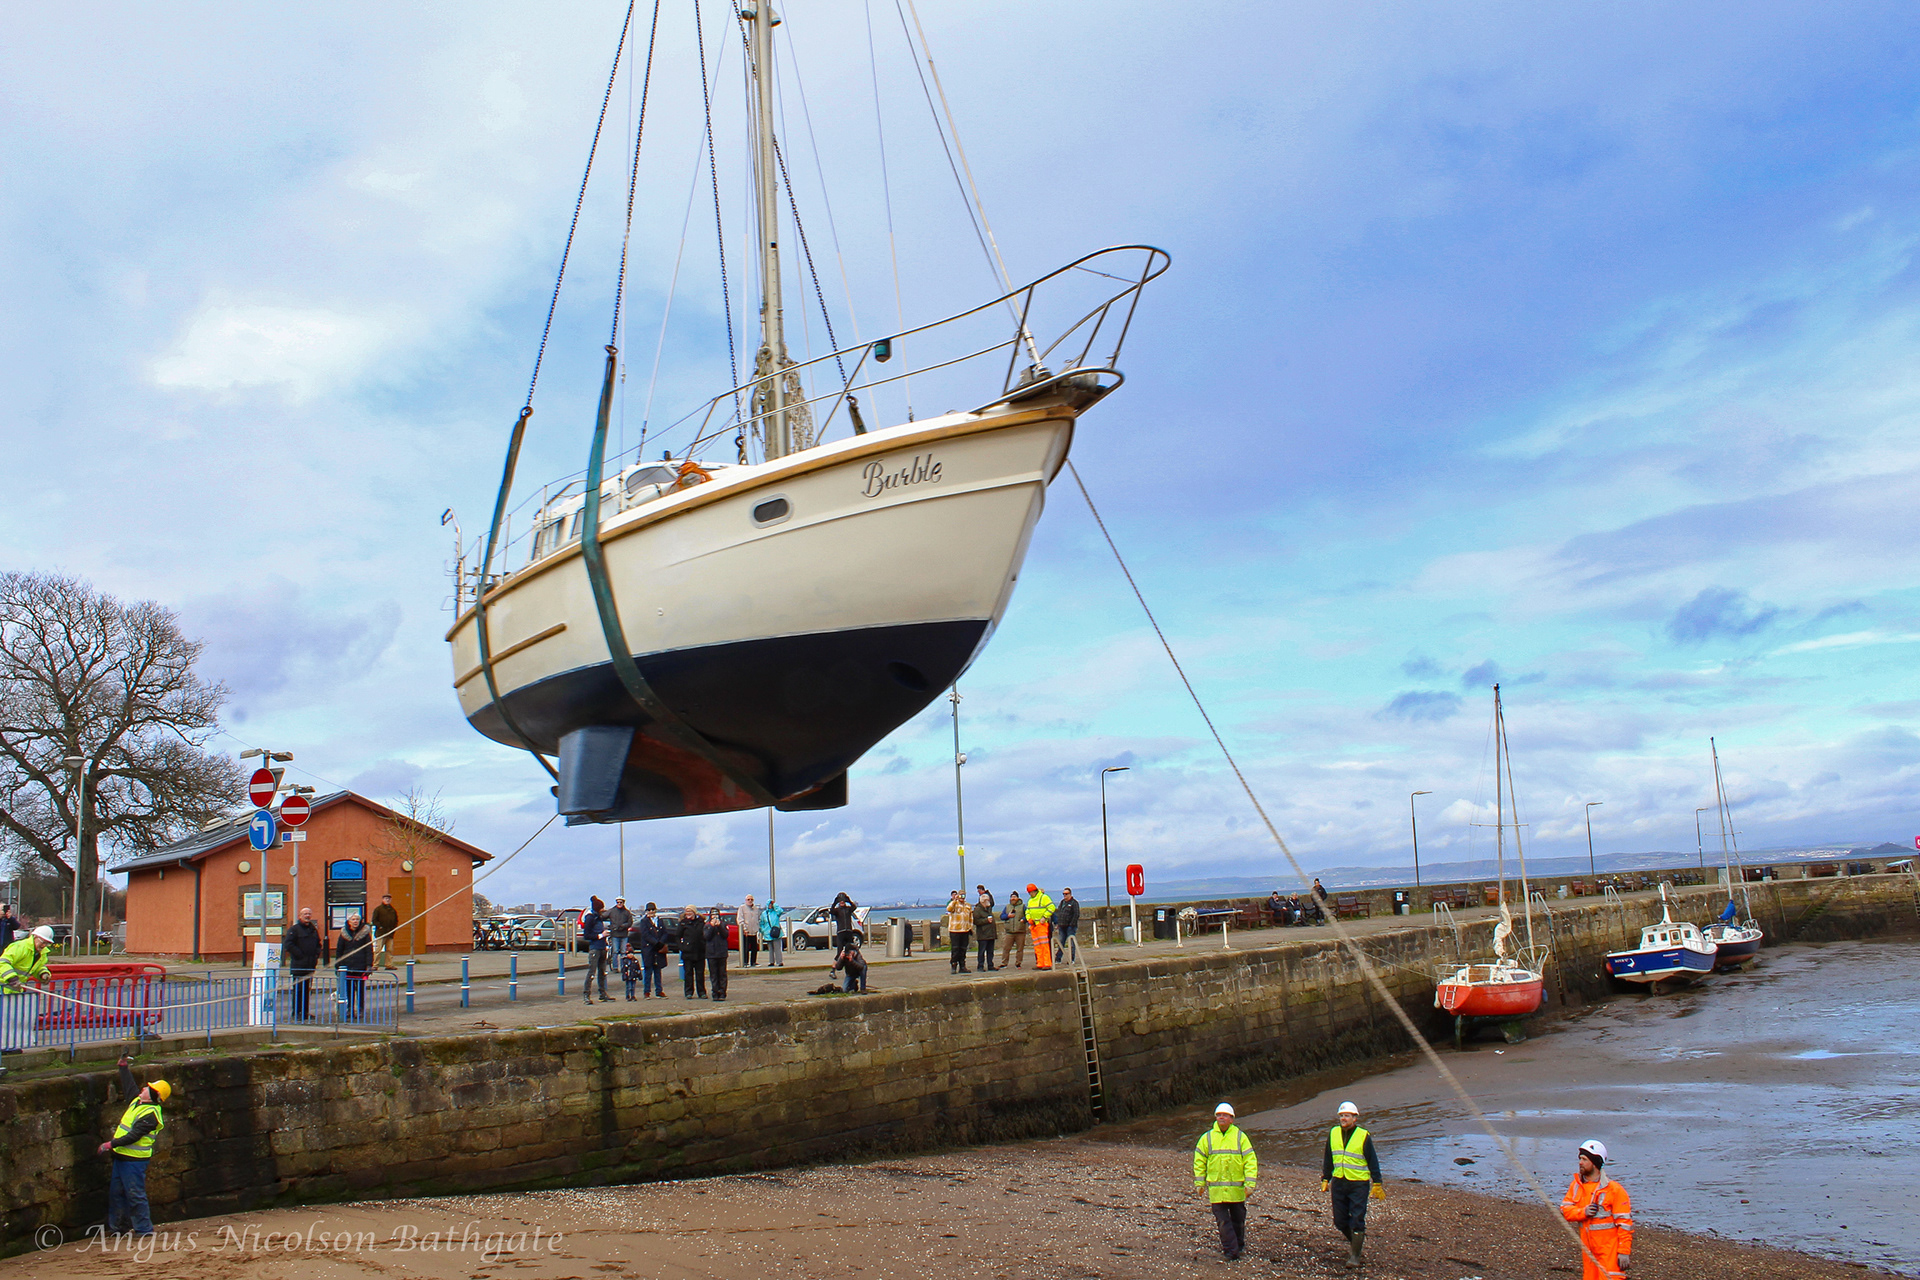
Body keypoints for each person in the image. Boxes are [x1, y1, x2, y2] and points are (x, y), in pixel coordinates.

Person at [98, 1054, 171, 1237]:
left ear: (154, 1095)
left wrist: (110, 1144)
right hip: (122, 1156)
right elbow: (128, 1085)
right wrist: (123, 1067)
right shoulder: (137, 1102)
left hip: (134, 1160)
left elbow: (134, 1136)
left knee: (135, 1194)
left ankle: (144, 1229)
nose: (144, 1088)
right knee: (117, 1194)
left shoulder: (152, 1114)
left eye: (148, 1088)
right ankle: (118, 1228)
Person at [1320, 1100, 1383, 1270]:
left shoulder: (1363, 1135)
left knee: (1356, 1219)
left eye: (1347, 1116)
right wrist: (1326, 1177)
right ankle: (1356, 1241)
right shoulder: (1333, 1133)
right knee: (1340, 1221)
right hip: (1339, 1182)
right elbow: (1328, 1157)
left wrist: (1377, 1182)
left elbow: (1372, 1160)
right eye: (1341, 1116)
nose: (1343, 1118)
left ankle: (1355, 1255)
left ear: (1355, 1118)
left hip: (1358, 1184)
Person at [1194, 1102, 1257, 1261]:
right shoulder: (1207, 1138)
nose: (1221, 1117)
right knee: (1223, 1222)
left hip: (1237, 1191)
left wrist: (1250, 1184)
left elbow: (1250, 1160)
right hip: (1217, 1192)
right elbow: (1199, 1161)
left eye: (1225, 1115)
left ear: (1232, 1119)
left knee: (1238, 1220)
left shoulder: (1240, 1137)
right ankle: (1231, 1251)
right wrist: (1200, 1183)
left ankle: (1239, 1245)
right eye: (1219, 1115)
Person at [1561, 1139, 1632, 1280]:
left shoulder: (1614, 1190)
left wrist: (1624, 1252)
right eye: (1580, 1159)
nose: (1580, 1162)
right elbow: (1566, 1210)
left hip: (1609, 1253)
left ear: (1595, 1162)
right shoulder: (1576, 1186)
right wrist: (1583, 1212)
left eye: (1584, 1159)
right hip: (1589, 1253)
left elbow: (1624, 1223)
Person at [0, 925, 56, 1053]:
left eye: (47, 943)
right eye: (43, 942)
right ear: (35, 937)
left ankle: (9, 1046)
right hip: (4, 987)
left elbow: (38, 967)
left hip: (14, 990)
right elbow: (3, 962)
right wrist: (11, 978)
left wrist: (43, 974)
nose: (44, 946)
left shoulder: (40, 953)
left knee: (11, 1020)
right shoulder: (20, 947)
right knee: (3, 1021)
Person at [281, 907, 327, 1021]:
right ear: (300, 916)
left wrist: (316, 954)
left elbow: (318, 943)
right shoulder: (294, 929)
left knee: (307, 990)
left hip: (310, 965)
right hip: (299, 965)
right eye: (305, 914)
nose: (307, 916)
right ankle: (296, 1012)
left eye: (309, 914)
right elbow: (288, 945)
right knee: (298, 990)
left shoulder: (312, 929)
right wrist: (300, 955)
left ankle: (305, 1012)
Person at [335, 914, 373, 1021]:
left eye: (357, 919)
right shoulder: (344, 933)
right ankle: (349, 1009)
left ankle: (360, 1009)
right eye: (353, 919)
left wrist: (369, 965)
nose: (355, 921)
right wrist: (338, 965)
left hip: (360, 965)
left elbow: (368, 950)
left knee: (360, 989)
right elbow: (339, 950)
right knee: (349, 990)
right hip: (347, 966)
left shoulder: (365, 934)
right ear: (349, 921)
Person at [634, 902, 667, 998]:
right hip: (648, 949)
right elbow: (645, 934)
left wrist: (661, 942)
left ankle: (659, 990)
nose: (651, 912)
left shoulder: (659, 920)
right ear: (646, 911)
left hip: (658, 949)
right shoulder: (644, 921)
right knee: (648, 970)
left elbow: (665, 932)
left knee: (658, 970)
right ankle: (647, 991)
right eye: (649, 910)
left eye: (653, 910)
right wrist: (655, 942)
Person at [581, 896, 610, 1004]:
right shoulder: (590, 918)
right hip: (595, 948)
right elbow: (587, 935)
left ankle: (602, 994)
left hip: (602, 947)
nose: (603, 910)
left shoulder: (598, 917)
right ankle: (586, 995)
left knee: (602, 972)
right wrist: (600, 935)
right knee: (591, 972)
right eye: (602, 908)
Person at [1024, 883, 1056, 969]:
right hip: (1033, 925)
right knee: (1037, 946)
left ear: (1035, 891)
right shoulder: (1030, 900)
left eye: (1031, 892)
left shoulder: (1043, 897)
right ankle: (1040, 963)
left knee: (1044, 945)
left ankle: (1047, 963)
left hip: (1041, 924)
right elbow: (1027, 911)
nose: (1030, 894)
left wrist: (1044, 917)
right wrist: (1029, 919)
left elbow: (1052, 908)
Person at [678, 905, 707, 999]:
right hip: (687, 952)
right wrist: (682, 947)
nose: (688, 913)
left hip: (699, 952)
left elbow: (705, 935)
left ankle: (701, 992)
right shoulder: (683, 923)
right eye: (687, 912)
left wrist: (704, 946)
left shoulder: (701, 923)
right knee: (688, 974)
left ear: (694, 912)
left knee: (700, 974)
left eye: (690, 911)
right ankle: (688, 992)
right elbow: (677, 936)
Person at [704, 908, 730, 1000]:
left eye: (716, 915)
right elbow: (706, 936)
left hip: (722, 953)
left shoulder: (723, 924)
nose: (715, 917)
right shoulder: (707, 925)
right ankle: (715, 992)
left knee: (722, 974)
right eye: (713, 915)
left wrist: (719, 927)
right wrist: (712, 926)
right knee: (713, 974)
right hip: (711, 953)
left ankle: (722, 992)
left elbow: (726, 935)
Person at [944, 890, 973, 974]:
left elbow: (971, 917)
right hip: (955, 930)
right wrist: (954, 900)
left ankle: (962, 966)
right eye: (960, 895)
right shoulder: (954, 904)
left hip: (965, 930)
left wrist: (970, 927)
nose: (962, 897)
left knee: (963, 949)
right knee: (955, 949)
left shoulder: (968, 905)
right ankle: (953, 965)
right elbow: (949, 909)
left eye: (963, 895)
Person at [998, 892, 1029, 968]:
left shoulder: (1023, 906)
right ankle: (1004, 963)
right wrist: (1008, 916)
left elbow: (1028, 915)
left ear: (1018, 898)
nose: (1013, 899)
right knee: (1006, 948)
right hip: (1009, 931)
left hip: (1020, 931)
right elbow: (1002, 916)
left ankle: (1018, 963)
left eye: (1014, 897)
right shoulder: (1007, 907)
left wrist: (1023, 920)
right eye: (1012, 897)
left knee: (1020, 949)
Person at [370, 894, 400, 970]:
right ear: (383, 899)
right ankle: (375, 965)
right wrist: (380, 927)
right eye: (386, 898)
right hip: (381, 933)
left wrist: (393, 929)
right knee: (378, 950)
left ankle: (389, 965)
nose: (387, 900)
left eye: (389, 899)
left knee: (389, 950)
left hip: (390, 933)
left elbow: (396, 920)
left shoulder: (392, 910)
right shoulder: (378, 909)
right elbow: (374, 920)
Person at [972, 889, 998, 972]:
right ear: (983, 901)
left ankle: (990, 965)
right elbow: (976, 921)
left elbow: (993, 903)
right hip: (983, 934)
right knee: (982, 951)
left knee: (990, 951)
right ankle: (980, 966)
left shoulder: (989, 908)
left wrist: (989, 893)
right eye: (987, 900)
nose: (989, 902)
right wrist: (986, 920)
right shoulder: (977, 910)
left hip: (991, 933)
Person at [1053, 888, 1081, 964]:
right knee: (1061, 942)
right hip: (1062, 926)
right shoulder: (1062, 903)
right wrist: (1058, 923)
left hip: (1070, 926)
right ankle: (1058, 958)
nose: (1065, 895)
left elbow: (1076, 914)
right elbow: (1059, 913)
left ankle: (1071, 959)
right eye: (1063, 894)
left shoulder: (1074, 903)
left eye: (1066, 894)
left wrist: (1072, 924)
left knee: (1071, 943)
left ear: (1070, 894)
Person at [760, 899, 785, 968]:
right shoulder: (764, 914)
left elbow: (781, 911)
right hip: (768, 933)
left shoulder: (776, 912)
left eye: (771, 904)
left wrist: (775, 904)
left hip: (776, 932)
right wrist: (763, 931)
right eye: (769, 904)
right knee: (770, 948)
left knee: (777, 948)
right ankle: (771, 961)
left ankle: (779, 961)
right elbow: (761, 923)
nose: (770, 906)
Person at [740, 894, 761, 967]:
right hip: (746, 932)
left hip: (754, 931)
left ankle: (753, 962)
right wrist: (744, 929)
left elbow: (758, 919)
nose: (750, 901)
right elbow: (740, 919)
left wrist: (757, 929)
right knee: (745, 948)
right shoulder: (742, 908)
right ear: (745, 900)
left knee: (754, 948)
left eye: (751, 899)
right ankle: (745, 962)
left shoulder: (756, 909)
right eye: (748, 899)